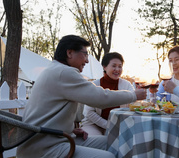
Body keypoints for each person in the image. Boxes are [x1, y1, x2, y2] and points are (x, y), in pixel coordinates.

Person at [16, 35, 147, 158]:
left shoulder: (54, 70)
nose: (87, 60)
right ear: (69, 53)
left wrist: (70, 129)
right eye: (85, 54)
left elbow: (46, 113)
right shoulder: (64, 72)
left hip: (56, 137)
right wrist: (133, 95)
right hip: (45, 147)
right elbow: (100, 98)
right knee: (108, 156)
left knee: (115, 141)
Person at [81, 52, 134, 135]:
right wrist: (107, 125)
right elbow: (89, 112)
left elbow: (134, 105)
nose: (117, 69)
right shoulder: (94, 85)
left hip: (118, 125)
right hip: (92, 124)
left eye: (120, 66)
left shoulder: (127, 85)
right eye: (114, 66)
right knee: (96, 141)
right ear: (104, 67)